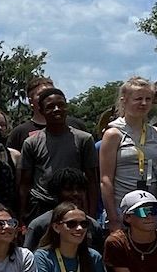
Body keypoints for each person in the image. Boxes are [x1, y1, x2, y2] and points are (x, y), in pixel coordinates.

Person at [99, 78, 157, 223]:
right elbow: (105, 180)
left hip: (155, 208)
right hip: (124, 210)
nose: (144, 103)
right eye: (138, 99)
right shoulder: (113, 134)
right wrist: (113, 219)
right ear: (124, 100)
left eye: (148, 99)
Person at [18, 90, 100, 223]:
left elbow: (92, 181)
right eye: (50, 107)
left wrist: (90, 215)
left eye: (61, 105)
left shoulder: (84, 139)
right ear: (41, 110)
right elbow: (25, 183)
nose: (57, 109)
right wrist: (22, 216)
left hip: (73, 206)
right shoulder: (31, 142)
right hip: (41, 205)